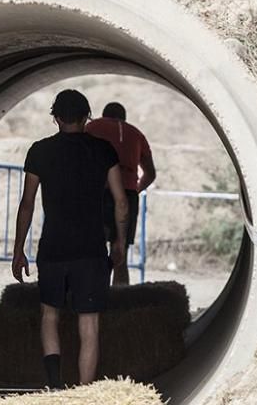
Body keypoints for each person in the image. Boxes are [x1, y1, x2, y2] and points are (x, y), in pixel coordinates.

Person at [11, 89, 130, 389]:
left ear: (55, 117)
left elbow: (27, 204)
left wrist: (18, 250)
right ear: (87, 116)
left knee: (49, 314)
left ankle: (54, 385)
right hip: (91, 248)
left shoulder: (39, 151)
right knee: (89, 323)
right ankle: (84, 393)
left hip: (53, 246)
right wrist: (119, 242)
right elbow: (121, 202)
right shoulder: (103, 151)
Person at [86, 102, 157, 285]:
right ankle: (120, 305)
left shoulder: (92, 127)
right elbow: (150, 174)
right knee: (120, 255)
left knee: (93, 252)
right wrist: (135, 188)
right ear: (124, 118)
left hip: (98, 193)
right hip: (127, 194)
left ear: (103, 115)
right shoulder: (137, 134)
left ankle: (93, 300)